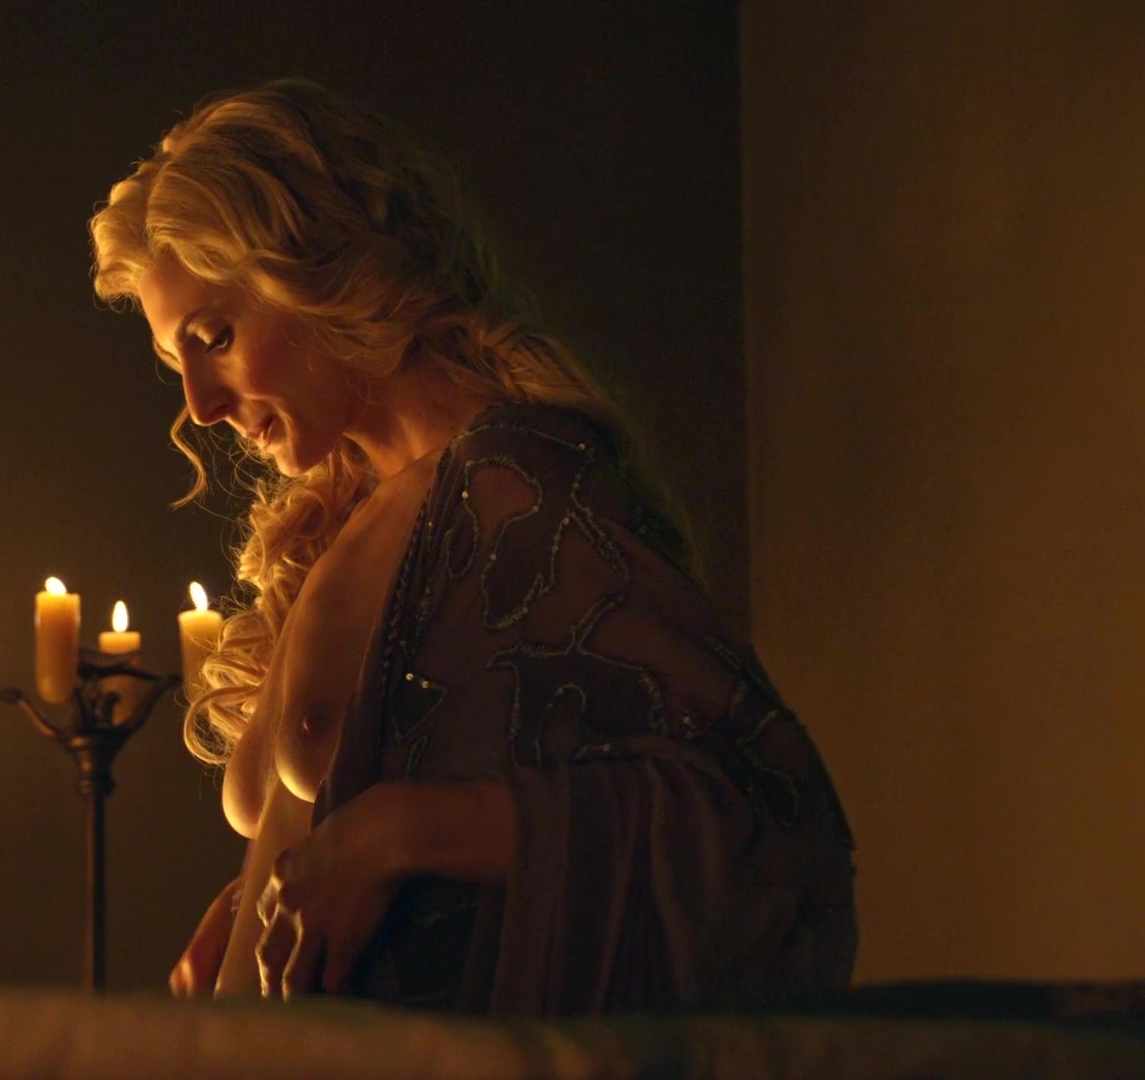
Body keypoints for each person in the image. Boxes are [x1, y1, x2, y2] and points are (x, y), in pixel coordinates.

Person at [90, 80, 858, 1015]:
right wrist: (267, 893)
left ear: (316, 272)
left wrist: (394, 834)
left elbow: (765, 818)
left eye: (214, 338)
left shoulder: (513, 480)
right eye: (176, 362)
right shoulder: (345, 521)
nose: (200, 407)